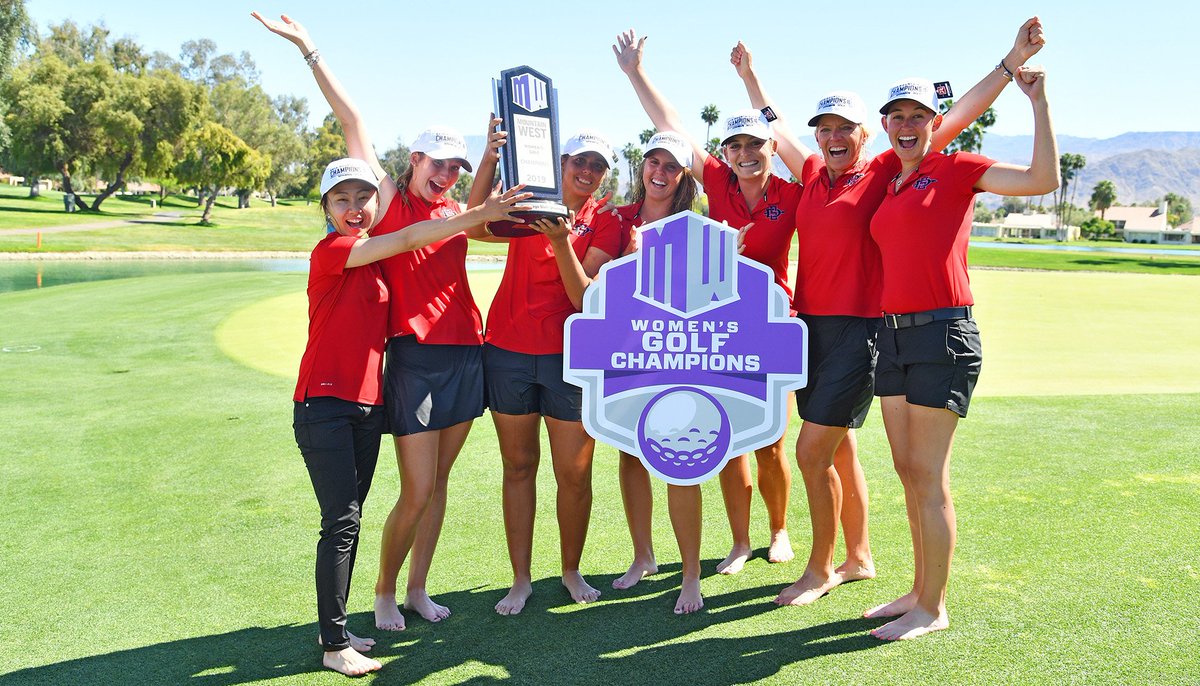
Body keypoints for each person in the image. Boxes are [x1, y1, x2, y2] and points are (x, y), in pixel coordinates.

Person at [728, 19, 1045, 607]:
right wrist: (751, 79)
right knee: (840, 445)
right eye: (824, 130)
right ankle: (859, 557)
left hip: (859, 329)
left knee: (812, 450)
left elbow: (950, 119)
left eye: (843, 128)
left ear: (863, 135)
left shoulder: (878, 174)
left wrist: (1008, 63)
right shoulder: (814, 177)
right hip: (811, 329)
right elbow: (776, 128)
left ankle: (820, 569)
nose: (832, 138)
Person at [252, 12, 506, 633]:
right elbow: (354, 122)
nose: (444, 174)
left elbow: (473, 211)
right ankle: (385, 591)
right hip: (415, 356)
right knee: (416, 490)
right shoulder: (388, 205)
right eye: (436, 163)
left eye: (455, 165)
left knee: (440, 486)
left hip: (464, 352)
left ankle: (418, 588)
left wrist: (492, 159)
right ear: (414, 160)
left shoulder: (454, 205)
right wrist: (311, 49)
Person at [287, 156, 528, 676]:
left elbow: (445, 239)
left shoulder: (370, 259)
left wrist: (491, 187)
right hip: (325, 402)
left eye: (360, 198)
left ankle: (348, 625)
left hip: (367, 402)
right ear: (326, 208)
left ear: (374, 201)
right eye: (340, 200)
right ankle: (336, 639)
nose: (353, 208)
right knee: (343, 522)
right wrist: (317, 66)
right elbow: (406, 239)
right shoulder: (337, 248)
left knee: (354, 518)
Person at [866, 64, 1059, 640]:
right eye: (897, 116)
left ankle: (934, 605)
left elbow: (1042, 178)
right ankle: (918, 589)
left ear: (935, 123)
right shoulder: (894, 180)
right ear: (885, 125)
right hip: (893, 336)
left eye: (918, 116)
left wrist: (1037, 100)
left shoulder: (956, 169)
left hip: (942, 337)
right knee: (907, 471)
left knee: (928, 475)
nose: (907, 125)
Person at [614, 30, 799, 573]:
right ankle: (741, 543)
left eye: (755, 146)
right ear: (725, 154)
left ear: (770, 150)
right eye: (735, 146)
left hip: (772, 322)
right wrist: (635, 72)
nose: (744, 154)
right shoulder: (715, 181)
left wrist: (750, 79)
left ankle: (779, 530)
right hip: (721, 327)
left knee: (770, 441)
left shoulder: (789, 194)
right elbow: (671, 126)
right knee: (732, 437)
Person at [468, 130, 623, 615]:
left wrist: (561, 241)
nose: (588, 172)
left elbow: (585, 299)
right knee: (518, 468)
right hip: (508, 350)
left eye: (598, 165)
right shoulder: (527, 201)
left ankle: (571, 570)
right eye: (580, 161)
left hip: (571, 359)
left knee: (573, 475)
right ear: (561, 162)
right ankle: (520, 579)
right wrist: (491, 159)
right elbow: (473, 227)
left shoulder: (606, 221)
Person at [598, 131, 707, 614]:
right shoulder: (616, 220)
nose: (659, 173)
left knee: (682, 461)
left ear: (684, 176)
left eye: (671, 166)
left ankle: (690, 575)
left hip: (678, 357)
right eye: (652, 162)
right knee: (631, 456)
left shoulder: (699, 226)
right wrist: (629, 260)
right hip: (625, 356)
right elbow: (593, 289)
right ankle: (643, 556)